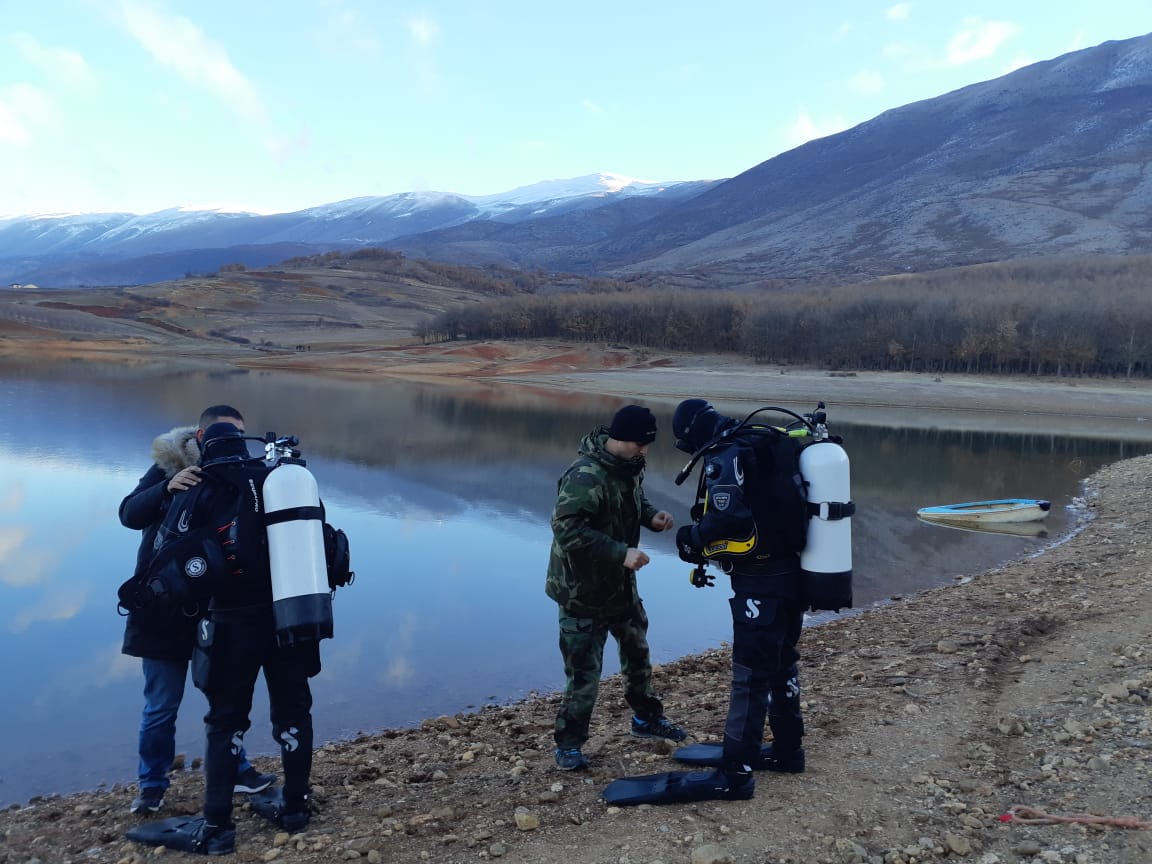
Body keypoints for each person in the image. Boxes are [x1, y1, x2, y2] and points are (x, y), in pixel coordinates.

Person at [127, 420, 322, 856]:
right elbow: (324, 545)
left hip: (232, 624)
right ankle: (295, 807)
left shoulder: (201, 487)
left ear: (203, 446)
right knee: (294, 712)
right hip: (291, 619)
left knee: (225, 721)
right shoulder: (282, 482)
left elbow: (173, 556)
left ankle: (216, 826)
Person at [119, 405, 274, 815]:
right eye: (223, 434)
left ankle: (236, 769)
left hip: (220, 611)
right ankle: (152, 786)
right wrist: (168, 487)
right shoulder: (170, 465)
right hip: (162, 607)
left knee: (227, 704)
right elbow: (128, 514)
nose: (231, 442)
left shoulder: (243, 478)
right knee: (161, 705)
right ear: (201, 437)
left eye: (238, 435)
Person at [669, 398, 809, 800]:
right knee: (782, 664)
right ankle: (787, 751)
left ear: (691, 433)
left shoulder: (728, 453)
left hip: (760, 584)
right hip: (792, 576)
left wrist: (690, 539)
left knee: (750, 677)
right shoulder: (762, 441)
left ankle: (735, 773)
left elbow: (728, 518)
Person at [546, 404, 687, 771]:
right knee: (584, 675)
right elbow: (566, 529)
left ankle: (645, 719)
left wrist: (651, 516)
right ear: (620, 438)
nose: (645, 451)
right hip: (581, 593)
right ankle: (569, 745)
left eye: (647, 445)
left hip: (620, 588)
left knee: (638, 656)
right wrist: (619, 552)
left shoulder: (628, 468)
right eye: (640, 444)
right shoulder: (585, 475)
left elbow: (632, 502)